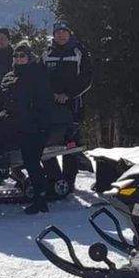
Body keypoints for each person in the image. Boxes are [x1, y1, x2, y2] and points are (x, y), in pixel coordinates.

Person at [0, 42, 55, 214]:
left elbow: (46, 103)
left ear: (29, 57)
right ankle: (1, 166)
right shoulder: (8, 76)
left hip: (32, 126)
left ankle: (40, 198)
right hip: (10, 122)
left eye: (23, 56)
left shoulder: (38, 75)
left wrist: (41, 126)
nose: (19, 59)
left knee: (31, 161)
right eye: (16, 56)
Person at [42, 20, 93, 190]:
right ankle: (55, 178)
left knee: (70, 145)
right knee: (47, 144)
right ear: (54, 35)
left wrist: (68, 94)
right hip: (51, 107)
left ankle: (69, 181)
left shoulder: (79, 51)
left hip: (73, 105)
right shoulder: (47, 53)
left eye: (64, 32)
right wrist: (52, 95)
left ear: (69, 34)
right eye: (57, 32)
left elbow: (87, 78)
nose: (61, 35)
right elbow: (40, 79)